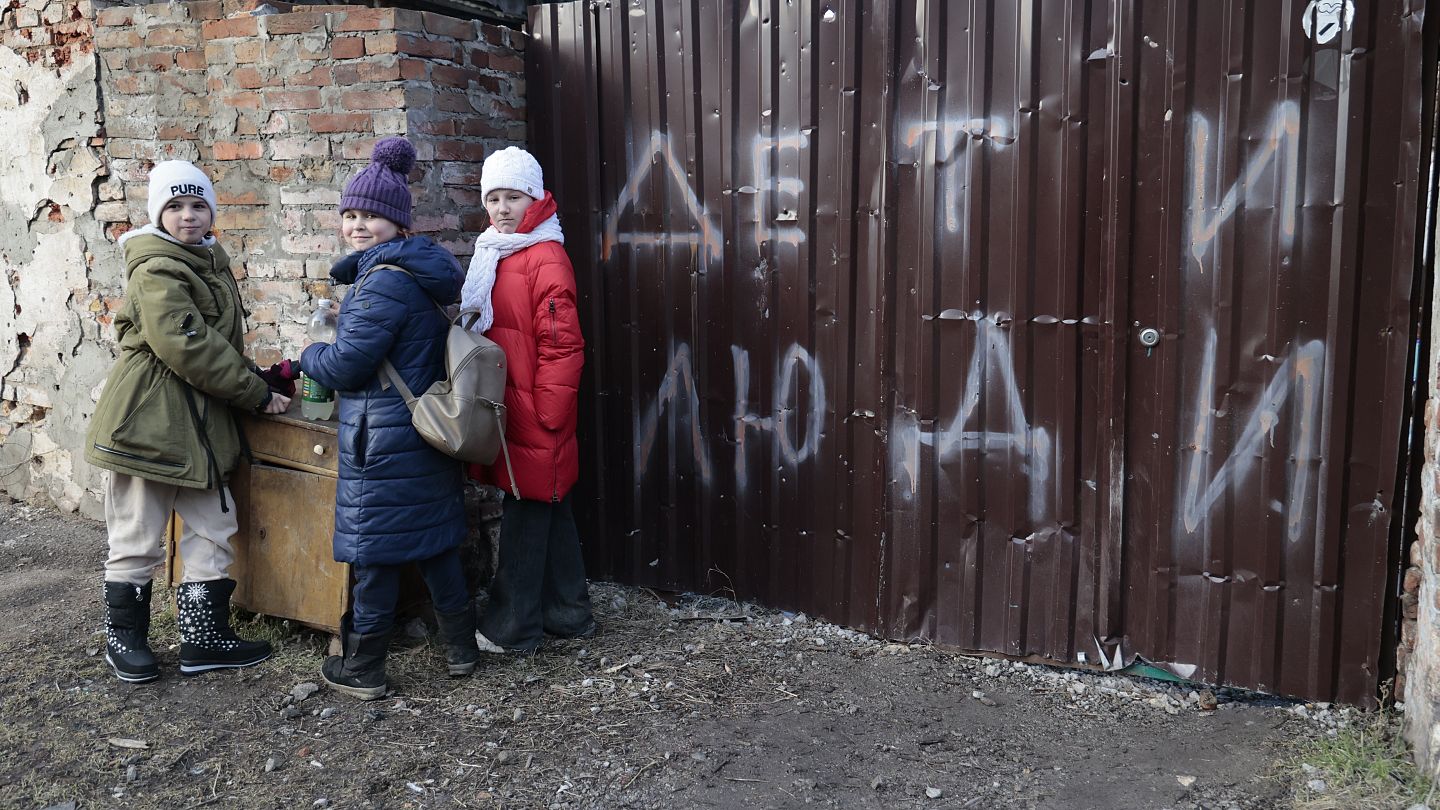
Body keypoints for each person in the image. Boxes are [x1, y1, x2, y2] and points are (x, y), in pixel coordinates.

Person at [87, 160, 288, 683]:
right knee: (138, 534)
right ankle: (125, 642)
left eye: (198, 205)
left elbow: (216, 343)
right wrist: (252, 394)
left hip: (202, 419)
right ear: (157, 214)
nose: (188, 216)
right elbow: (187, 345)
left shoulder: (206, 260)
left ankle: (204, 641)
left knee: (213, 528)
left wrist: (260, 379)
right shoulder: (156, 268)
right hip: (149, 419)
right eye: (174, 206)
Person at [300, 137, 479, 700]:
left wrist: (308, 354)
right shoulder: (412, 274)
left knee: (373, 553)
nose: (358, 225)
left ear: (398, 224)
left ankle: (364, 669)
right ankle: (461, 650)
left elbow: (347, 366)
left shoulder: (380, 283)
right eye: (350, 214)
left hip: (380, 440)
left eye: (371, 216)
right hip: (420, 432)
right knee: (434, 545)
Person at [461, 146, 594, 654]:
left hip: (537, 410)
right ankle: (569, 613)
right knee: (548, 504)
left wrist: (549, 414)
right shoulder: (496, 250)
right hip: (510, 404)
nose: (501, 208)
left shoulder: (545, 257)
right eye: (493, 198)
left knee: (526, 509)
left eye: (512, 196)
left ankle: (512, 625)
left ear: (535, 198)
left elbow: (562, 343)